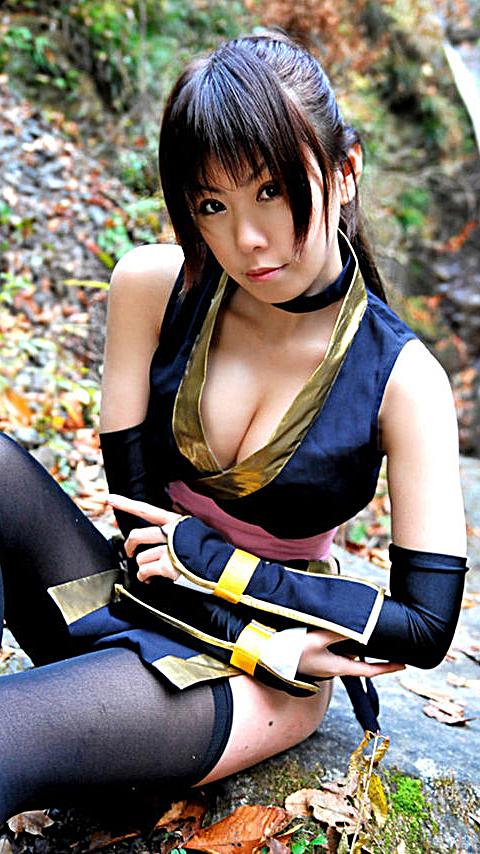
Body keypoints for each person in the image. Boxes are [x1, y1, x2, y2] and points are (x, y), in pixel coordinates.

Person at [0, 30, 468, 824]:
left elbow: (424, 628)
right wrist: (190, 571)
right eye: (212, 205)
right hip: (135, 602)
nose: (246, 239)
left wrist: (229, 578)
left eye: (272, 191)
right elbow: (142, 529)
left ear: (344, 170)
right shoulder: (157, 287)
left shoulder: (403, 378)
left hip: (258, 672)